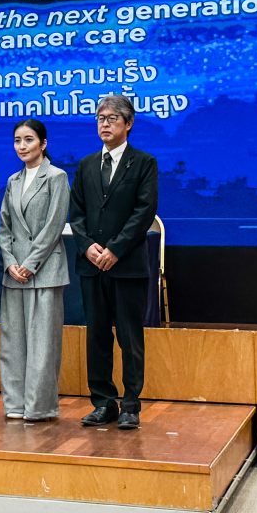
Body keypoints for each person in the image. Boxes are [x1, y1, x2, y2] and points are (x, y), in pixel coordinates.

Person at [69, 95, 158, 430]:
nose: (104, 124)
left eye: (111, 119)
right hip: (92, 266)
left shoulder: (144, 162)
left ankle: (131, 404)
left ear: (128, 123)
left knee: (129, 337)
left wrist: (115, 249)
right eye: (100, 118)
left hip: (127, 265)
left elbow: (144, 212)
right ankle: (103, 402)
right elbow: (76, 212)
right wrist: (87, 246)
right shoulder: (87, 164)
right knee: (97, 336)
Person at [0, 118, 70, 421]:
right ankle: (15, 405)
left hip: (44, 272)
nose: (22, 146)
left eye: (28, 140)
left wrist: (29, 264)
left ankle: (39, 407)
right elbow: (4, 228)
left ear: (43, 143)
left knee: (42, 345)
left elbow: (54, 226)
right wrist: (10, 262)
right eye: (17, 140)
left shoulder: (56, 177)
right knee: (13, 344)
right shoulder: (13, 180)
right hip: (14, 274)